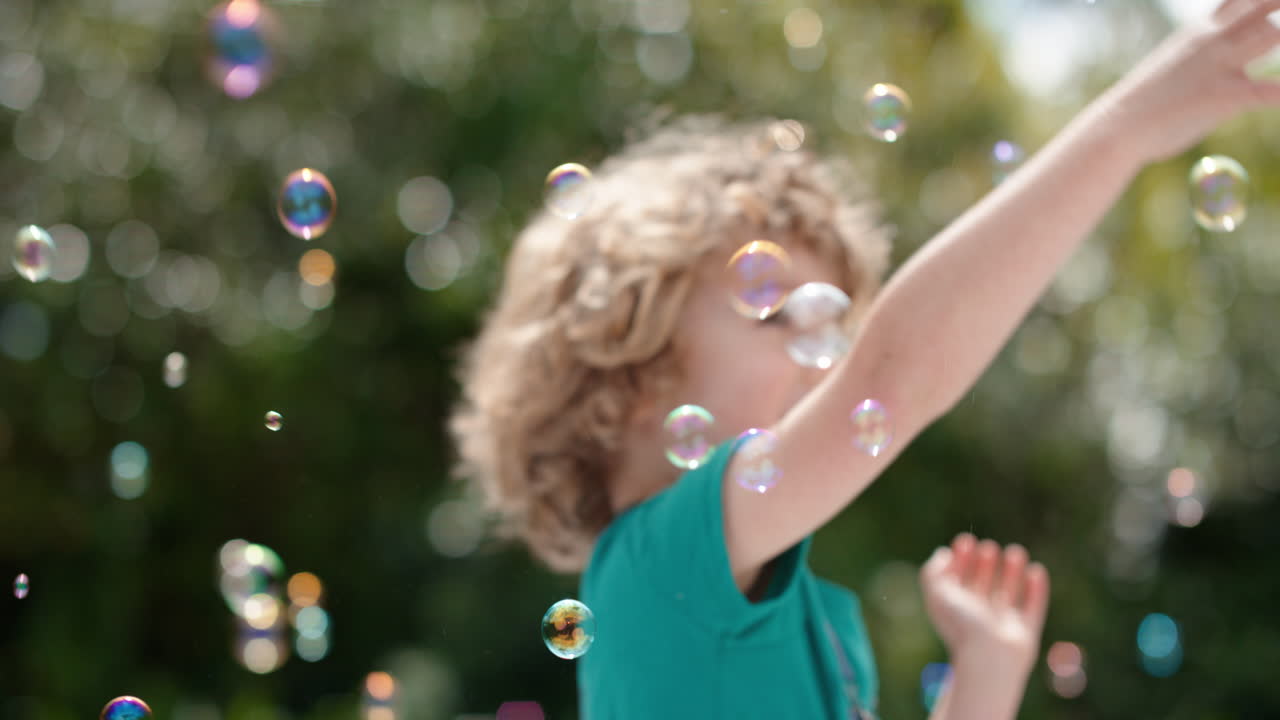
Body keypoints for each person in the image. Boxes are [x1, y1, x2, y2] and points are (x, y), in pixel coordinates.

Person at [450, 1, 1280, 716]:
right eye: (776, 313)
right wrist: (1126, 128)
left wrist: (984, 676)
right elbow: (889, 379)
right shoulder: (653, 568)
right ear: (628, 366)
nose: (828, 363)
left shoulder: (813, 623)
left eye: (834, 330)